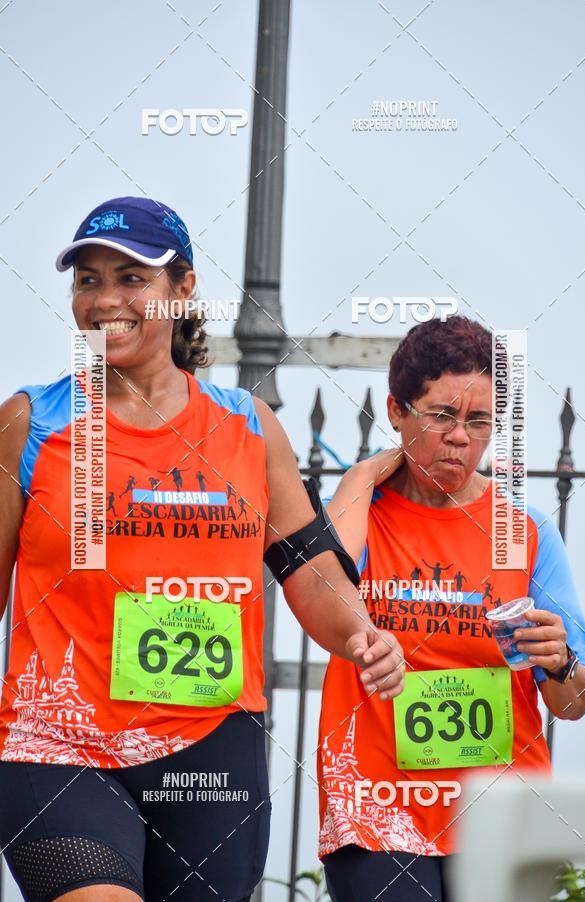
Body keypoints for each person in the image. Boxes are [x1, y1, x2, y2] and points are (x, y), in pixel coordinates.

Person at [0, 196, 404, 902]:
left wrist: (363, 634)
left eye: (132, 279)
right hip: (58, 746)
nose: (105, 301)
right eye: (87, 280)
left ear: (183, 289)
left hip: (212, 753)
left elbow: (309, 572)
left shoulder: (249, 429)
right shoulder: (34, 423)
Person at [317, 315, 585, 902]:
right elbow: (321, 589)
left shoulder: (527, 532)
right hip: (377, 807)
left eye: (479, 422)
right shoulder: (360, 517)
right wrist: (366, 473)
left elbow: (573, 704)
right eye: (442, 415)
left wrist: (562, 662)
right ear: (396, 411)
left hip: (499, 809)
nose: (461, 437)